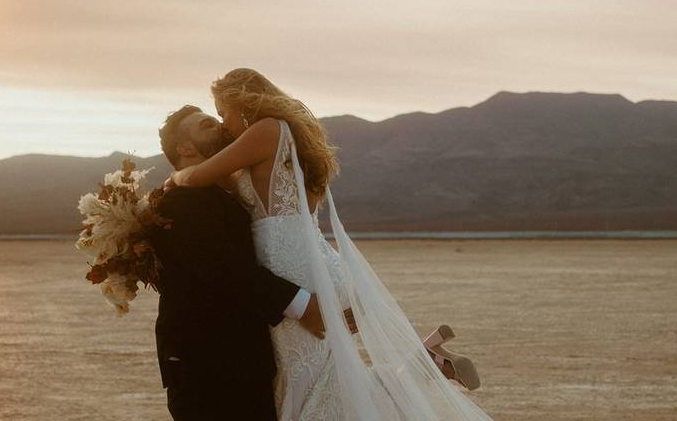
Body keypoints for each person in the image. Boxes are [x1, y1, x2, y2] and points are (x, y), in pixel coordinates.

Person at [168, 68, 490, 421]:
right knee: (327, 381)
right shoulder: (282, 147)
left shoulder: (266, 130)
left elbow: (198, 176)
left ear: (240, 100)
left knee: (309, 390)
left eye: (221, 112)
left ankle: (423, 367)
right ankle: (424, 364)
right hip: (313, 263)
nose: (224, 124)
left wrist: (174, 177)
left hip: (291, 268)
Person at [150, 104, 330, 421]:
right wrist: (303, 305)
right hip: (206, 370)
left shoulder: (221, 195)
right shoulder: (180, 203)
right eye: (207, 124)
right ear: (186, 148)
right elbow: (225, 272)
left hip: (239, 365)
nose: (220, 126)